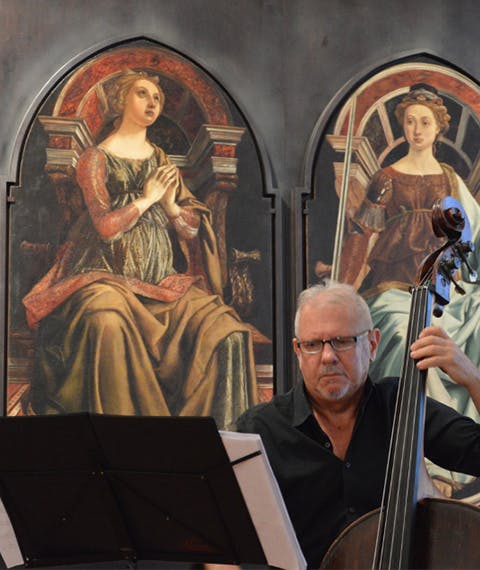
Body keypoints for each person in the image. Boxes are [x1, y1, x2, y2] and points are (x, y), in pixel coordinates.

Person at [23, 69, 257, 430]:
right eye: (142, 94)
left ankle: (219, 450)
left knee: (228, 331)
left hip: (161, 286)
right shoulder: (95, 159)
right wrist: (147, 200)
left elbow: (192, 229)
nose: (152, 103)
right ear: (121, 101)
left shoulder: (162, 162)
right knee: (106, 322)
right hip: (102, 279)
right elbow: (105, 228)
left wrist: (172, 208)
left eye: (157, 99)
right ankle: (123, 448)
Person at [236, 281, 480, 569]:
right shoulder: (260, 429)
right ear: (298, 351)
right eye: (313, 345)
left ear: (373, 344)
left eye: (342, 341)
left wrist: (472, 377)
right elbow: (227, 534)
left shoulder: (402, 405)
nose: (328, 357)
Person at [317, 83, 480, 487]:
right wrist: (343, 284)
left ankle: (461, 455)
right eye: (410, 121)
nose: (417, 129)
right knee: (396, 323)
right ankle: (411, 453)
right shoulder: (386, 177)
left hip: (445, 287)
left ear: (438, 128)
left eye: (425, 121)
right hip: (392, 282)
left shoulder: (450, 177)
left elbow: (472, 235)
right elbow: (362, 234)